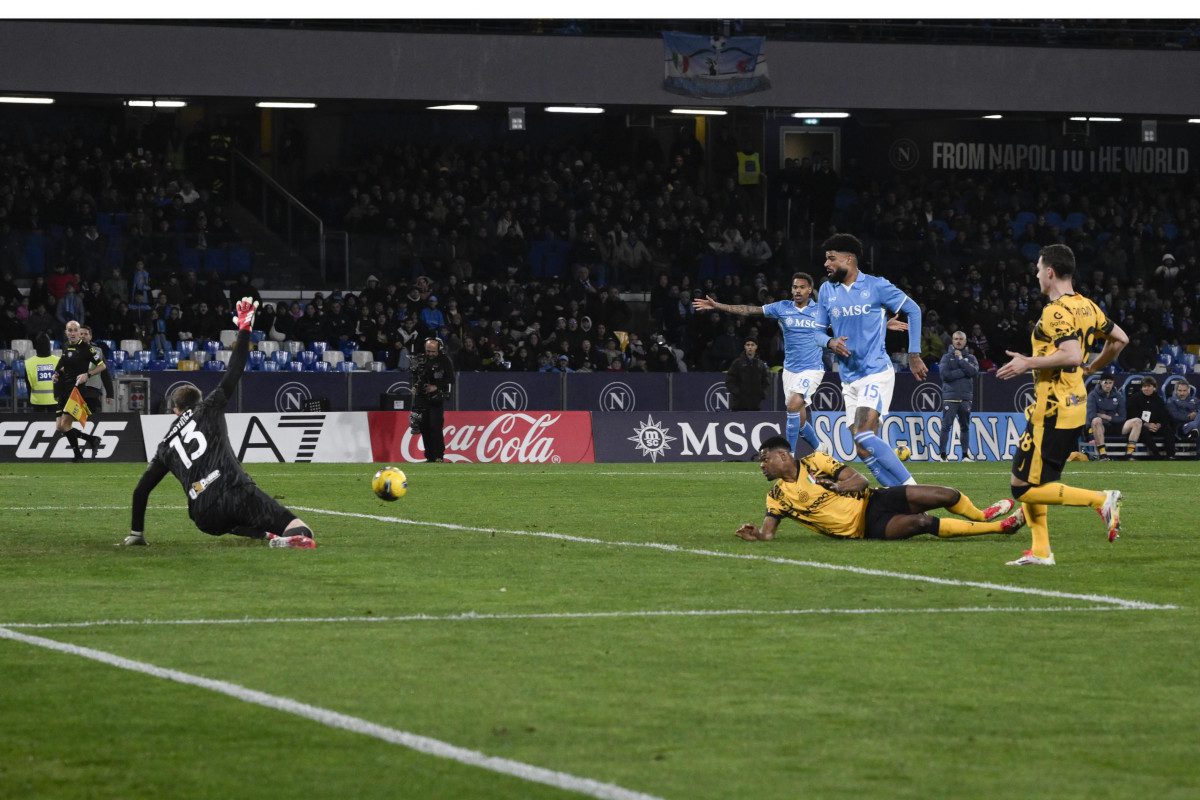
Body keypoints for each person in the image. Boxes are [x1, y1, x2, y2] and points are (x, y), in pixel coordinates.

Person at [123, 299, 316, 549]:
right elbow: (234, 369)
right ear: (199, 400)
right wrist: (245, 329)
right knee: (302, 530)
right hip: (233, 489)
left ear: (175, 410)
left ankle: (265, 536)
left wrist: (137, 533)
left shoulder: (164, 446)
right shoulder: (207, 407)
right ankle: (283, 538)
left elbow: (140, 491)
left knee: (228, 520)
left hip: (204, 517)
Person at [996, 244, 1128, 566]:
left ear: (1050, 272)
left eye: (1039, 269)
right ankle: (1041, 550)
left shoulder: (1055, 311)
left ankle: (1100, 499)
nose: (1037, 274)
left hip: (1052, 409)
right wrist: (1092, 368)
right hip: (1072, 405)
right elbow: (1120, 339)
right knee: (1031, 481)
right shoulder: (1087, 306)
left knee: (1021, 490)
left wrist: (1028, 362)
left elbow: (1069, 353)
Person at [694, 271, 905, 451]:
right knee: (800, 419)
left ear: (810, 290)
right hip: (790, 370)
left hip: (812, 369)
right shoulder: (782, 308)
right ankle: (820, 449)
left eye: (802, 287)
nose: (797, 291)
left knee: (794, 404)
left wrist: (884, 324)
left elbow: (853, 321)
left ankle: (789, 455)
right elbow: (750, 310)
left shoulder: (821, 311)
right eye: (794, 287)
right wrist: (718, 306)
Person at [732, 436, 1024, 542]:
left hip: (875, 499)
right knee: (922, 522)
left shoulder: (816, 461)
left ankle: (983, 515)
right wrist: (754, 535)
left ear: (782, 456)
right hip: (865, 527)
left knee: (946, 494)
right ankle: (1000, 528)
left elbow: (861, 481)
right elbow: (768, 533)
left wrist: (836, 484)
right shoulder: (777, 497)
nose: (761, 466)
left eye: (764, 459)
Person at [816, 234, 926, 487]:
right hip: (848, 379)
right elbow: (817, 332)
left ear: (849, 259)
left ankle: (913, 491)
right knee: (862, 450)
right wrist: (830, 342)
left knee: (865, 435)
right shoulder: (826, 290)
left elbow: (914, 310)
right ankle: (896, 493)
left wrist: (914, 354)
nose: (827, 264)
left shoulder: (876, 286)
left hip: (875, 372)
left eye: (831, 258)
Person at [51, 320, 104, 461]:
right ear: (66, 332)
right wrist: (56, 374)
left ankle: (78, 456)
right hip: (64, 389)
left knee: (65, 424)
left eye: (75, 330)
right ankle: (91, 439)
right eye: (70, 330)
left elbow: (102, 366)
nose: (73, 333)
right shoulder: (66, 346)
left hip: (76, 390)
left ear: (79, 332)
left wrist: (88, 375)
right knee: (59, 427)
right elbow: (61, 364)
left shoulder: (87, 348)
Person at [935, 330, 979, 461]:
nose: (958, 341)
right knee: (946, 426)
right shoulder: (946, 357)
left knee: (965, 426)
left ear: (965, 341)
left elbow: (974, 372)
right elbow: (945, 376)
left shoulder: (971, 358)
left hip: (966, 398)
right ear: (952, 341)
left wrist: (960, 360)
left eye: (961, 339)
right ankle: (943, 455)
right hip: (950, 397)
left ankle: (965, 455)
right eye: (956, 339)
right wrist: (964, 371)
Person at [410, 336, 454, 462]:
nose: (430, 354)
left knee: (435, 426)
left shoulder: (445, 360)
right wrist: (414, 386)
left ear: (439, 349)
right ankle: (429, 457)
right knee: (424, 427)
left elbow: (451, 379)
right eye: (428, 351)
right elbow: (414, 375)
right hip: (421, 397)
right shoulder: (420, 359)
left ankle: (439, 456)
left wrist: (436, 386)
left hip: (436, 398)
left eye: (433, 351)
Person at [1125, 375, 1175, 459]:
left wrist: (1159, 424)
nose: (1146, 388)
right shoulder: (1134, 398)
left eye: (1149, 386)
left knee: (1168, 429)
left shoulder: (1159, 399)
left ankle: (1171, 455)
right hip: (1140, 426)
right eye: (1144, 386)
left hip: (1155, 426)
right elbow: (1132, 415)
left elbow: (1164, 415)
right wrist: (1147, 424)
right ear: (1141, 388)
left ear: (1154, 388)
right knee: (1142, 430)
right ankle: (1156, 454)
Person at [1086, 375, 1129, 460]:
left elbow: (1123, 417)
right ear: (1100, 382)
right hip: (1099, 427)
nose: (1108, 385)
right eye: (1105, 382)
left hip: (1114, 425)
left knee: (1137, 421)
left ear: (1113, 383)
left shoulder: (1118, 396)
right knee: (1096, 420)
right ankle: (1103, 454)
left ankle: (1129, 455)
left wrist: (1108, 417)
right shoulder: (1092, 395)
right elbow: (1091, 416)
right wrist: (1102, 417)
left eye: (1110, 383)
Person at [723, 338, 771, 411]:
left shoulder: (761, 364)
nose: (750, 347)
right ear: (745, 347)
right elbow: (729, 380)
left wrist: (761, 394)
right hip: (739, 404)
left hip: (755, 404)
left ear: (756, 347)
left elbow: (766, 381)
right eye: (748, 345)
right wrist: (737, 393)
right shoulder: (737, 362)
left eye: (752, 345)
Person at [23, 333, 59, 413]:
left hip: (37, 402)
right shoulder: (58, 361)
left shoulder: (29, 363)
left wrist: (30, 400)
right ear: (49, 345)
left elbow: (28, 384)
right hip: (55, 401)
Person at [1166, 380, 1200, 458]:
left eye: (1184, 391)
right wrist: (1190, 416)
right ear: (1175, 391)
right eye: (1180, 390)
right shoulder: (1170, 401)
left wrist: (1196, 415)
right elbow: (1176, 416)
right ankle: (1194, 427)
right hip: (1180, 428)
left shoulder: (1195, 400)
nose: (1182, 393)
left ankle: (1195, 428)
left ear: (1188, 390)